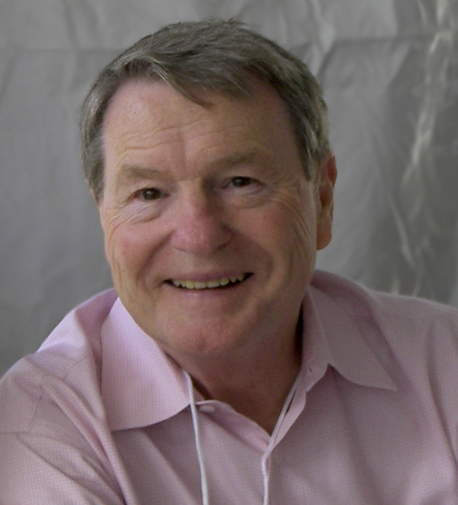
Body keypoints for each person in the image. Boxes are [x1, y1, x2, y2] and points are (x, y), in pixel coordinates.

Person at [1, 18, 457, 505]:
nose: (199, 237)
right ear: (104, 217)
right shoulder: (38, 424)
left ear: (321, 198)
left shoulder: (443, 362)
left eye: (240, 182)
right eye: (149, 193)